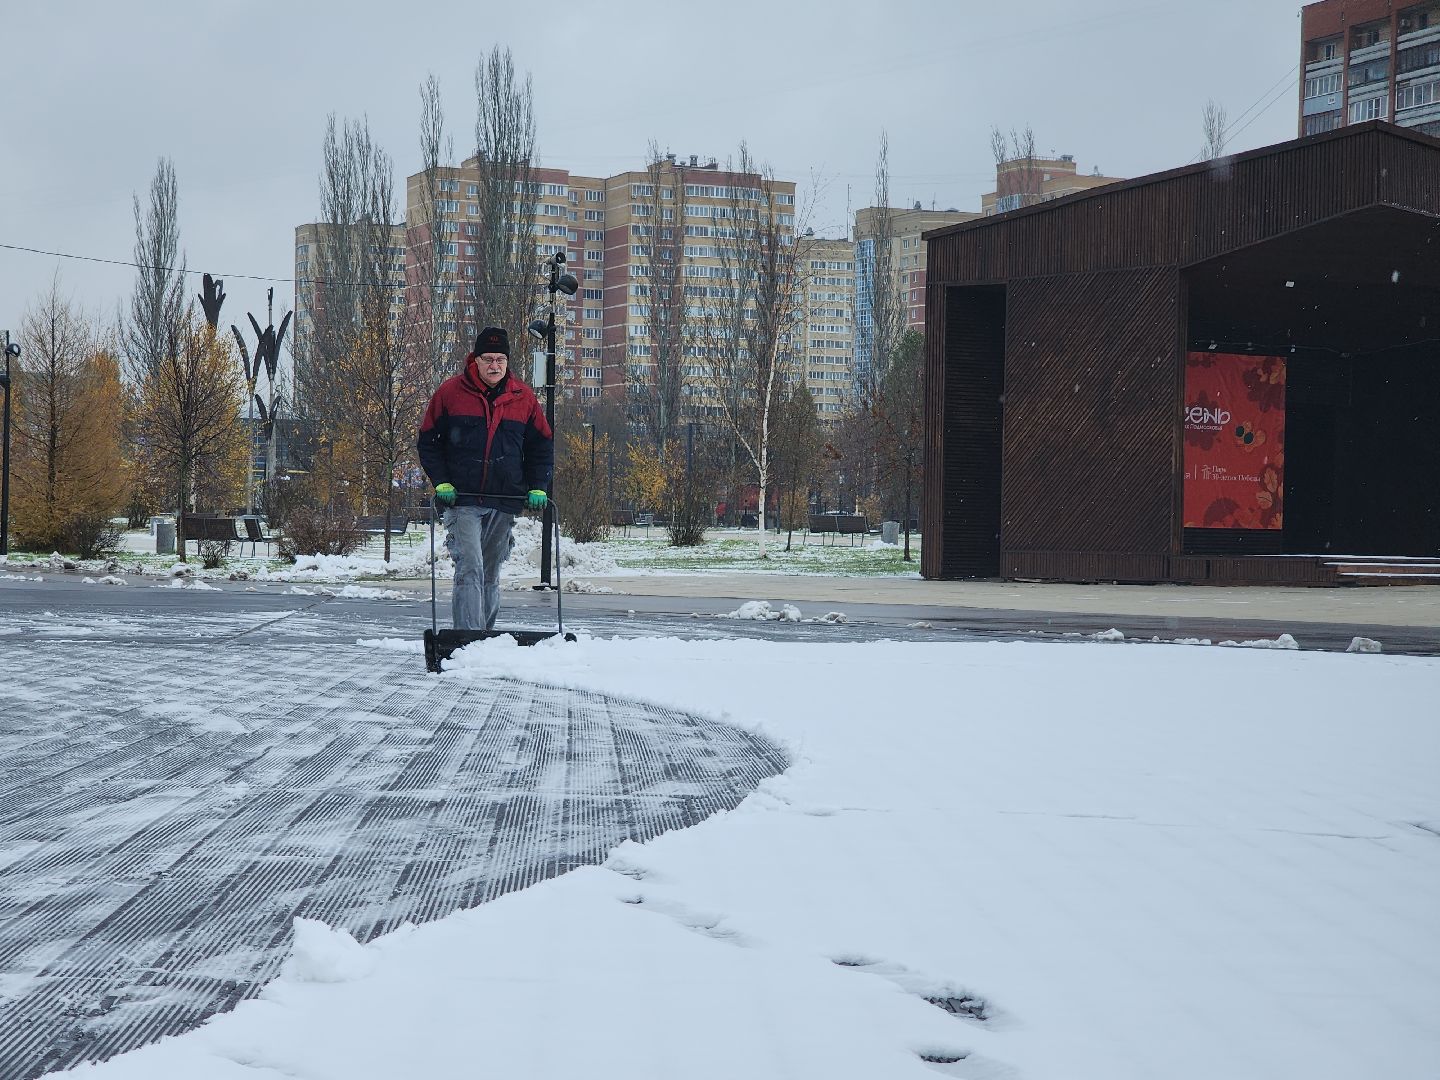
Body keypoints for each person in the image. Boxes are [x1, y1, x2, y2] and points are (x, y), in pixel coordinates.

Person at [417, 326, 553, 631]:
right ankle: (468, 638)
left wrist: (538, 486)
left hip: (504, 498)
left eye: (500, 359)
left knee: (490, 572)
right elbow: (428, 441)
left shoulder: (523, 398)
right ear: (475, 360)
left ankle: (486, 639)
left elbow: (541, 446)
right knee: (470, 568)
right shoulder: (451, 393)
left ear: (507, 362)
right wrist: (441, 481)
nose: (494, 365)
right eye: (488, 359)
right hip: (462, 499)